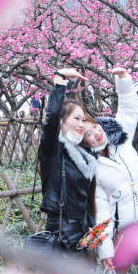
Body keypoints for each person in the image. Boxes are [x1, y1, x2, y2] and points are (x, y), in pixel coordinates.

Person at [81, 67, 138, 269]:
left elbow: (129, 109)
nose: (97, 134)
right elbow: (101, 211)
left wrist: (123, 80)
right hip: (122, 230)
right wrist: (105, 249)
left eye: (96, 127)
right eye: (89, 134)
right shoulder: (94, 169)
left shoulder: (120, 141)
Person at [38, 68, 96, 253]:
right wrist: (60, 79)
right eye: (76, 119)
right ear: (62, 122)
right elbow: (52, 118)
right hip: (61, 229)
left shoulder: (83, 154)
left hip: (83, 228)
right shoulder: (53, 149)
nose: (81, 124)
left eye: (83, 120)